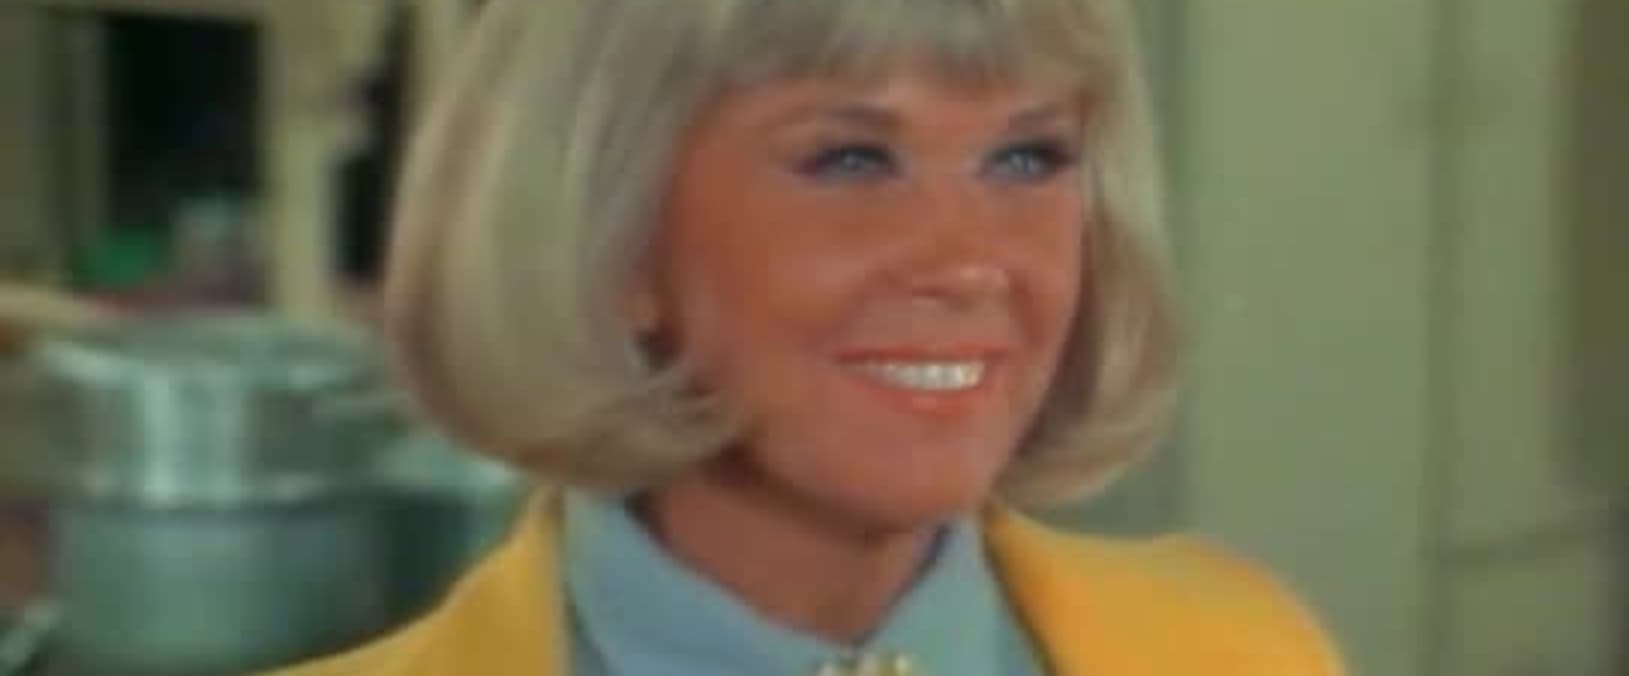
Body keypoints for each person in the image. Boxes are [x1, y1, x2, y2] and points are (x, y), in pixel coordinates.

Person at [275, 0, 1342, 674]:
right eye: (851, 161)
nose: (969, 263)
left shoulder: (1242, 650)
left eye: (1026, 160)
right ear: (613, 237)